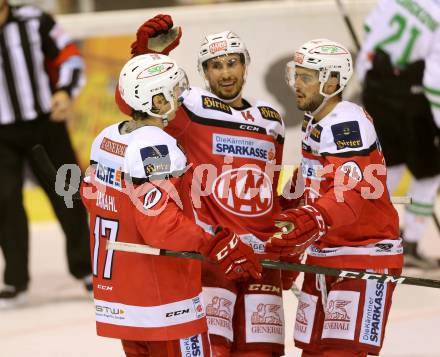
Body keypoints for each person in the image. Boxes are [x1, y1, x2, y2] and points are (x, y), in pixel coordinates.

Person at [116, 15, 287, 357]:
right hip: (213, 259)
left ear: (245, 65)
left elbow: (270, 191)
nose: (225, 73)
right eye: (215, 66)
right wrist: (143, 55)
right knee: (214, 351)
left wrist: (286, 248)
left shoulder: (272, 120)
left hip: (261, 262)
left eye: (232, 63)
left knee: (261, 354)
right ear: (203, 72)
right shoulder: (189, 106)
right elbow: (137, 103)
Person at [81, 53, 261, 357]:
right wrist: (212, 243)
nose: (178, 98)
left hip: (122, 299)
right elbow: (160, 225)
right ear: (156, 100)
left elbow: (90, 195)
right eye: (172, 92)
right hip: (164, 302)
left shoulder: (105, 138)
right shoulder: (157, 147)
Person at [270, 39, 403, 357]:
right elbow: (313, 179)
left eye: (306, 77)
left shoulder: (346, 124)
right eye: (295, 75)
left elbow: (350, 194)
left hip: (363, 257)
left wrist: (308, 220)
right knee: (314, 352)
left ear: (332, 81)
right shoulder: (315, 119)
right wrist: (291, 222)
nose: (296, 84)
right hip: (327, 255)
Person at [0, 1, 91, 309]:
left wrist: (65, 91)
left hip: (45, 124)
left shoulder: (35, 19)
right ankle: (15, 280)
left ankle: (88, 269)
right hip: (1, 135)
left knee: (69, 194)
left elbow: (70, 56)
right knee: (4, 202)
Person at [356, 0, 440, 268]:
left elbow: (370, 26)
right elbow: (434, 81)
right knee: (429, 171)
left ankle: (366, 235)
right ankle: (411, 241)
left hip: (375, 86)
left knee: (390, 164)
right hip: (410, 98)